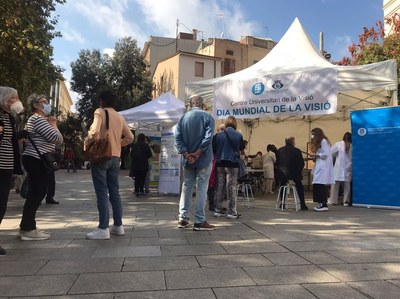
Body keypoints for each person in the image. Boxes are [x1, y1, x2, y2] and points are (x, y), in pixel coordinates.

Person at [85, 88, 133, 240]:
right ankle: (118, 226)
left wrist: (87, 142)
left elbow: (94, 131)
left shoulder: (100, 111)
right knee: (114, 192)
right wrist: (117, 144)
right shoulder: (119, 116)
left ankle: (103, 228)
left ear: (102, 100)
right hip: (115, 157)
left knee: (101, 192)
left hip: (102, 156)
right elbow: (130, 136)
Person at [19, 94, 63, 241]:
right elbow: (57, 138)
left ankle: (28, 226)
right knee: (37, 193)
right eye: (44, 102)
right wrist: (54, 124)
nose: (47, 104)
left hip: (35, 158)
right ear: (36, 105)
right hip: (36, 159)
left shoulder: (37, 120)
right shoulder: (37, 119)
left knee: (37, 192)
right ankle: (28, 229)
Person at [175, 95, 215, 231]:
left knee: (186, 187)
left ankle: (183, 218)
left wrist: (186, 153)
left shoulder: (182, 118)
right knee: (201, 188)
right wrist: (198, 153)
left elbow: (178, 138)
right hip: (203, 158)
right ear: (202, 105)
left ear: (190, 105)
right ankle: (199, 220)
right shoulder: (207, 117)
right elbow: (208, 137)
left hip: (188, 159)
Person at [0, 86, 24, 254]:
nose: (17, 101)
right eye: (14, 98)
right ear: (5, 98)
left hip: (7, 165)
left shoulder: (9, 116)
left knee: (2, 202)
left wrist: (21, 133)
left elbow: (11, 139)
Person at [214, 116, 245, 219]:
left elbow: (214, 149)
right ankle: (232, 212)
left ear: (226, 123)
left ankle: (218, 209)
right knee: (231, 187)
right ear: (235, 123)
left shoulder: (218, 135)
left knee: (220, 186)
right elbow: (241, 148)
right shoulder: (238, 135)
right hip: (232, 163)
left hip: (220, 163)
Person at [276, 137, 308, 210]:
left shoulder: (280, 150)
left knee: (282, 184)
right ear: (293, 142)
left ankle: (282, 203)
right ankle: (303, 204)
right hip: (295, 173)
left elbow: (277, 163)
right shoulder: (297, 150)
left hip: (282, 173)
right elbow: (301, 163)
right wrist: (299, 171)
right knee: (299, 185)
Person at [309, 128, 334, 212]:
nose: (312, 136)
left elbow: (326, 154)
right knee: (318, 184)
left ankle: (323, 203)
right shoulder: (321, 142)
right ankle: (320, 203)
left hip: (323, 167)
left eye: (313, 134)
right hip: (320, 165)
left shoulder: (323, 141)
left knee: (320, 184)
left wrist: (317, 155)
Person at [329, 132, 352, 206]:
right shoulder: (353, 145)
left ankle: (333, 200)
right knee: (347, 185)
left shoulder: (339, 144)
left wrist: (336, 156)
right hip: (348, 167)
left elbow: (330, 152)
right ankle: (346, 201)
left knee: (335, 185)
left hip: (339, 167)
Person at [207, 123, 226, 212]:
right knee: (212, 184)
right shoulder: (215, 138)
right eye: (221, 129)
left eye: (224, 129)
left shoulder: (224, 138)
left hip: (220, 162)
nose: (222, 131)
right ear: (218, 130)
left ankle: (218, 204)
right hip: (214, 161)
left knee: (219, 184)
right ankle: (212, 204)